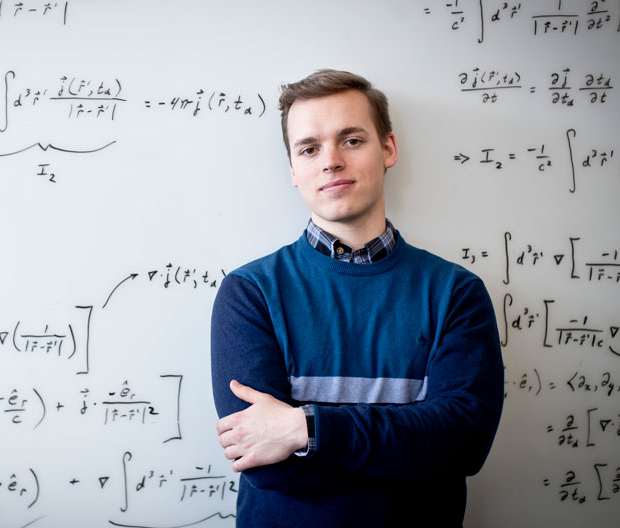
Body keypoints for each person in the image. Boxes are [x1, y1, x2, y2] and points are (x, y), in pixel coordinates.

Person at [210, 69, 504, 527]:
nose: (330, 162)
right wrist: (409, 446)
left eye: (351, 140)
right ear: (293, 169)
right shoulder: (250, 293)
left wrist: (304, 429)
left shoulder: (456, 293)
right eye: (309, 148)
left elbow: (464, 444)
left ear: (388, 149)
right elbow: (268, 466)